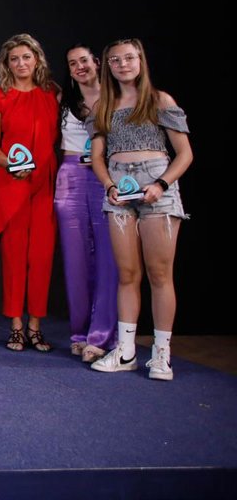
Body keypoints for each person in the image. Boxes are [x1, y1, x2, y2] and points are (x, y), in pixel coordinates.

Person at [89, 38, 191, 381]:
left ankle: (162, 355)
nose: (123, 65)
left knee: (160, 274)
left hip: (156, 186)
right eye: (116, 60)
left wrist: (160, 184)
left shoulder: (160, 100)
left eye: (129, 58)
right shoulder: (104, 106)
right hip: (119, 188)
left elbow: (185, 154)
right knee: (127, 274)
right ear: (108, 66)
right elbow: (97, 158)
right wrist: (109, 185)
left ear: (140, 60)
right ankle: (126, 351)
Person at [0, 33, 59, 352]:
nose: (20, 63)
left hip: (45, 184)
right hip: (12, 183)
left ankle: (35, 326)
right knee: (14, 256)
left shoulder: (51, 93)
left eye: (26, 57)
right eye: (14, 59)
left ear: (37, 59)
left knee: (41, 257)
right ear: (7, 64)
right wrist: (11, 165)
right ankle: (16, 326)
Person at [55, 45, 117, 363]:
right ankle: (79, 334)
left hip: (106, 176)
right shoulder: (62, 100)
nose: (79, 66)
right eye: (72, 63)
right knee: (75, 258)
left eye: (84, 61)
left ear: (96, 63)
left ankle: (103, 335)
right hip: (70, 176)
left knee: (109, 257)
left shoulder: (116, 98)